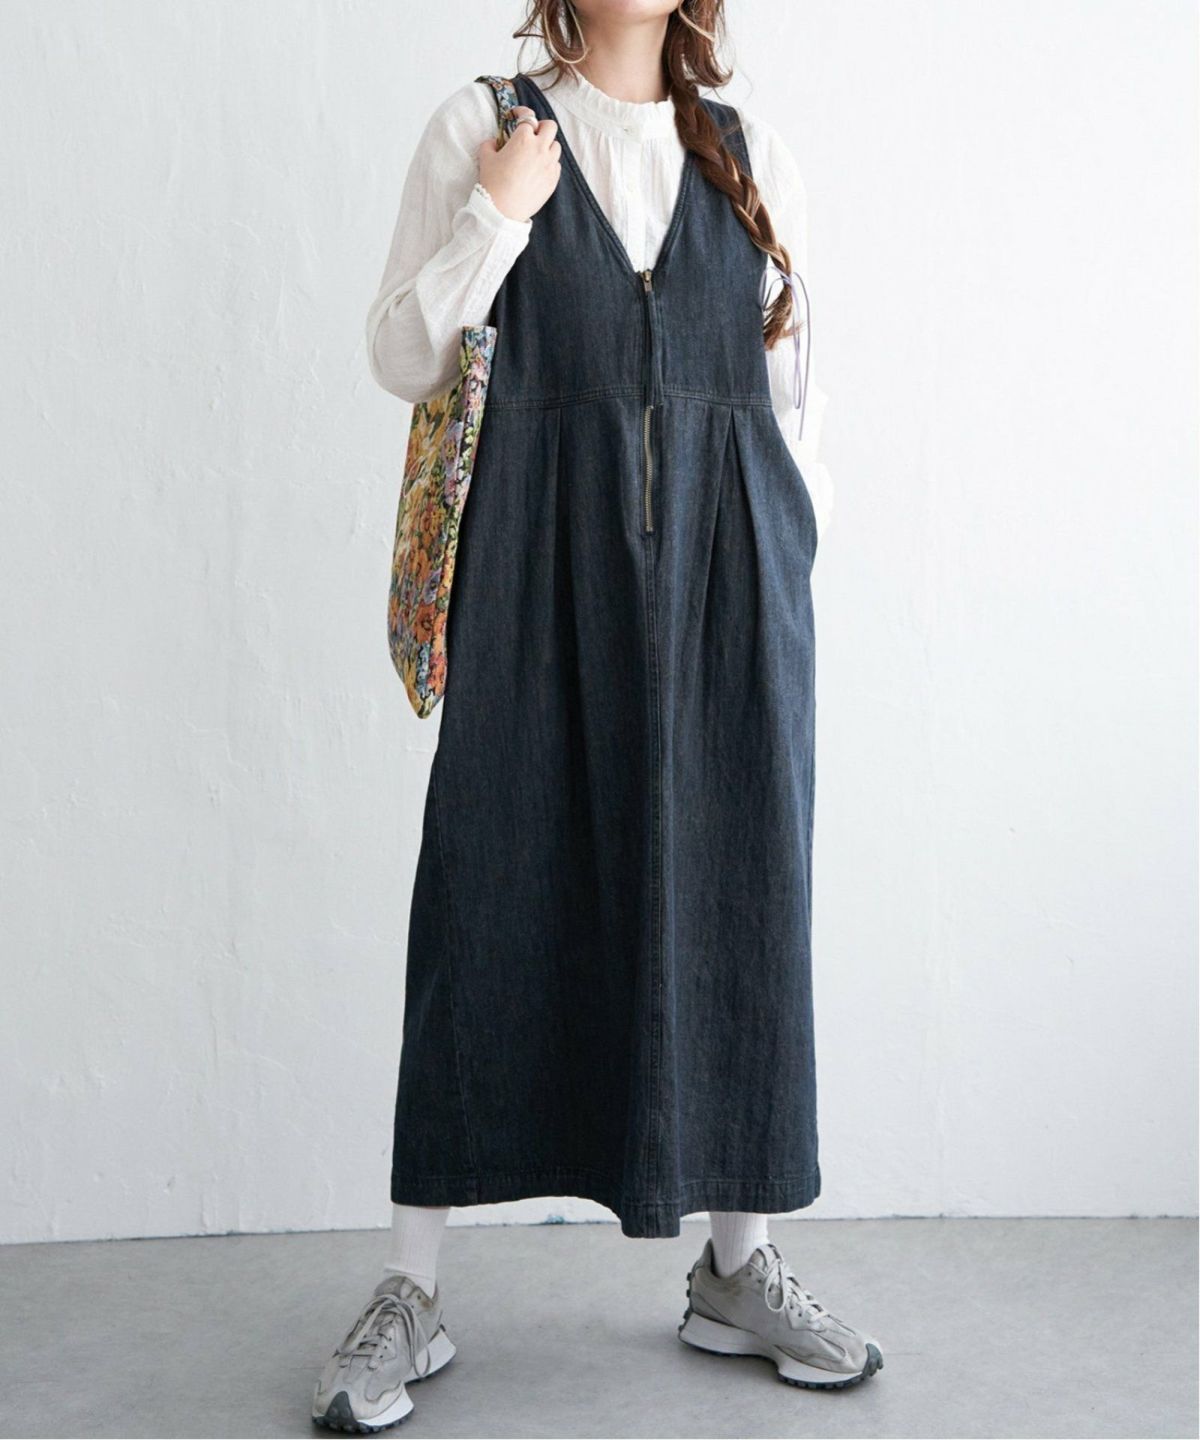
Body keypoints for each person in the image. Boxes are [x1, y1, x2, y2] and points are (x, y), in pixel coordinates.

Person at [313, 1, 881, 1428]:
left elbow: (795, 397)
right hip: (532, 569)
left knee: (739, 891)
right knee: (485, 891)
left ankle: (738, 1268)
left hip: (731, 581)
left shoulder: (749, 156)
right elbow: (401, 354)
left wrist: (781, 549)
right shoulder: (484, 128)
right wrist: (497, 215)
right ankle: (410, 1289)